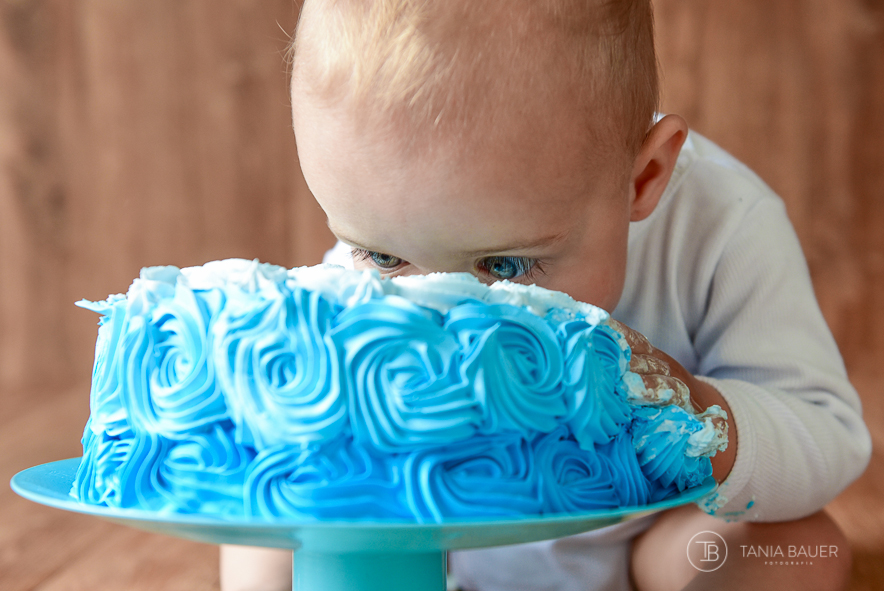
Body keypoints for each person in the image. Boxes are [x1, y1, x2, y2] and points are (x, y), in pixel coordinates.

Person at [221, 0, 871, 589]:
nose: (448, 317)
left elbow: (829, 435)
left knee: (803, 549)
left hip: (645, 542)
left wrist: (693, 409)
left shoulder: (724, 224)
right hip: (435, 545)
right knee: (272, 523)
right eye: (384, 256)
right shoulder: (379, 231)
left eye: (504, 264)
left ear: (642, 178)